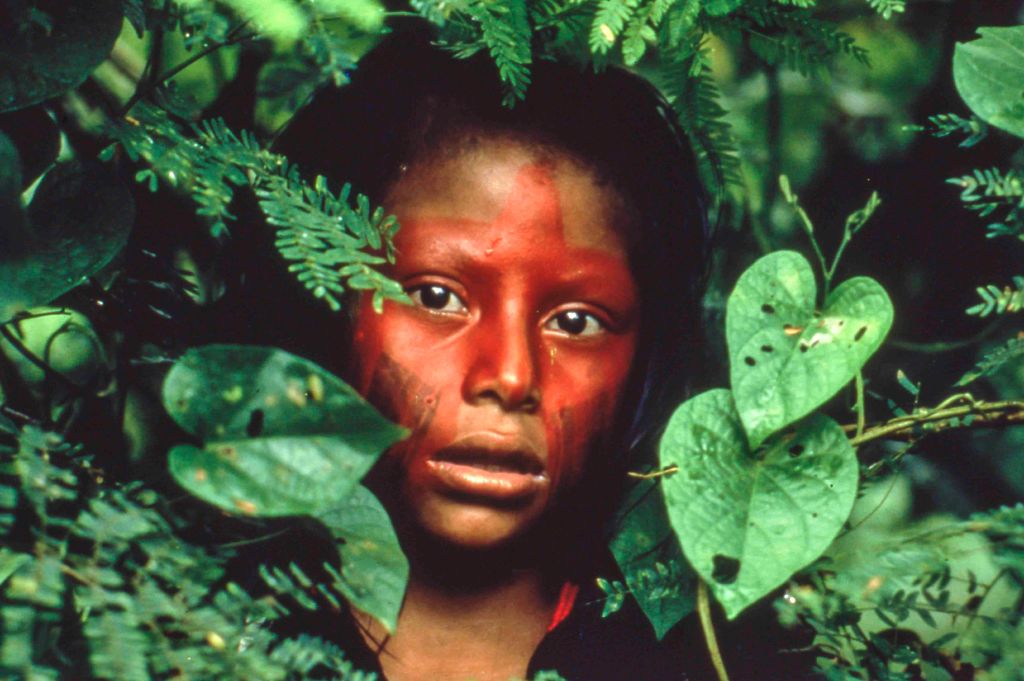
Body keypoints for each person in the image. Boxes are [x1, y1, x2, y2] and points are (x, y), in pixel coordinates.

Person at [268, 26, 806, 681]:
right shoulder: (165, 613)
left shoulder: (724, 660)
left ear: (646, 353)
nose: (511, 375)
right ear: (325, 291)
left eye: (576, 320)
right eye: (437, 295)